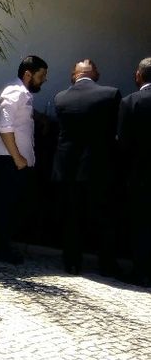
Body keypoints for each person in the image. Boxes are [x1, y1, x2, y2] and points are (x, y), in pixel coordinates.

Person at [51, 59, 120, 276]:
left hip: (67, 168)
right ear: (95, 74)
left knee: (72, 217)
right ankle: (106, 264)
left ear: (74, 75)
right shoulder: (111, 94)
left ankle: (72, 262)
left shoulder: (60, 98)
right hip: (98, 167)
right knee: (104, 217)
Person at [0, 56, 49, 264]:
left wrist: (38, 117)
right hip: (7, 160)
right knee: (5, 207)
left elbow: (20, 116)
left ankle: (3, 247)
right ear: (28, 74)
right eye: (41, 76)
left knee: (12, 207)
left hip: (13, 161)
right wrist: (17, 157)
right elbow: (5, 125)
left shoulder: (22, 93)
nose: (44, 80)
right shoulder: (14, 91)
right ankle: (0, 250)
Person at [117, 57, 151, 287]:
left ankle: (140, 272)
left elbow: (122, 141)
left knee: (141, 224)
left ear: (138, 76)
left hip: (140, 174)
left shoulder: (131, 101)